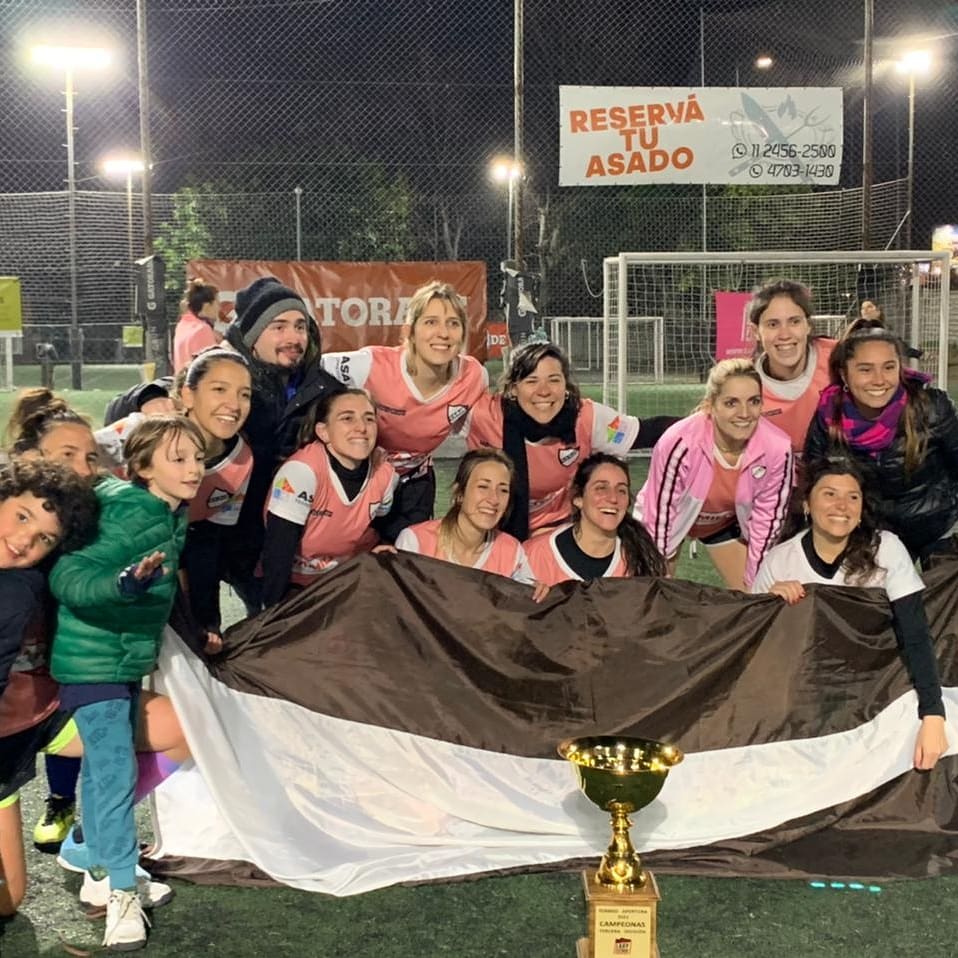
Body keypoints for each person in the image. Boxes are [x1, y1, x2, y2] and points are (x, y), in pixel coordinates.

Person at [49, 415, 206, 949]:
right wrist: (123, 585)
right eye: (178, 458)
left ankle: (97, 870)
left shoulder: (168, 514)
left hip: (116, 663)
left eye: (198, 458)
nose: (194, 468)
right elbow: (68, 577)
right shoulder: (132, 510)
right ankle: (120, 894)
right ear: (142, 468)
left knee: (103, 771)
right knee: (113, 774)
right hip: (90, 665)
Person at [752, 457, 947, 771]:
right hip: (805, 697)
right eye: (829, 494)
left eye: (852, 497)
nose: (841, 505)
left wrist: (933, 715)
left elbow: (916, 635)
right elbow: (752, 648)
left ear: (861, 510)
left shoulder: (886, 548)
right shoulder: (780, 560)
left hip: (877, 689)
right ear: (807, 504)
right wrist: (770, 607)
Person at [96, 347, 254, 651]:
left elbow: (208, 542)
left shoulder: (242, 461)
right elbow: (79, 454)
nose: (233, 404)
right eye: (219, 389)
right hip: (107, 562)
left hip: (166, 557)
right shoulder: (143, 429)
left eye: (245, 394)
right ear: (188, 395)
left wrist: (205, 620)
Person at [320, 280, 489, 542]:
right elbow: (309, 373)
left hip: (415, 483)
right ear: (409, 331)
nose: (443, 333)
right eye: (431, 322)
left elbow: (475, 433)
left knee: (407, 564)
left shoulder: (474, 376)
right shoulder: (370, 365)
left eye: (453, 323)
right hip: (359, 478)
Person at [2, 389, 98, 850]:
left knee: (163, 727)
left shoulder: (81, 530)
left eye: (90, 458)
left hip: (42, 710)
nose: (82, 468)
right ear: (26, 461)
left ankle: (81, 820)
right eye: (67, 455)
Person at [463, 341, 676, 541]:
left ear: (566, 386)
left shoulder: (585, 418)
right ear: (512, 388)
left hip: (556, 530)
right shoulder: (482, 416)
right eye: (531, 381)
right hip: (489, 529)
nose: (544, 391)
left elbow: (646, 432)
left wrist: (703, 423)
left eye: (554, 380)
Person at [223, 276, 344, 613]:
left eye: (300, 326)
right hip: (235, 537)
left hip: (305, 542)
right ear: (252, 337)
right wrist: (150, 397)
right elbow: (179, 389)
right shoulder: (227, 379)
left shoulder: (325, 389)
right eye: (279, 327)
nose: (294, 338)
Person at [805, 320, 958, 567]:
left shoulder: (931, 407)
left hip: (936, 525)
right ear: (844, 373)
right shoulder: (829, 415)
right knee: (872, 603)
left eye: (888, 367)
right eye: (865, 370)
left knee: (946, 600)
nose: (879, 380)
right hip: (872, 532)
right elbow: (814, 476)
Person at [633, 358, 793, 591]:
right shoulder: (680, 442)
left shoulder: (778, 448)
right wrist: (656, 579)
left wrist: (757, 582)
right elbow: (659, 518)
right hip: (667, 520)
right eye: (731, 403)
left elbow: (767, 523)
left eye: (754, 401)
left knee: (757, 596)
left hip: (722, 523)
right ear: (710, 405)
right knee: (652, 595)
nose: (745, 413)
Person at [260, 389, 398, 609]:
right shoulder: (301, 471)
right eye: (347, 418)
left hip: (345, 577)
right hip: (297, 583)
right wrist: (273, 612)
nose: (361, 428)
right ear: (323, 432)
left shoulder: (386, 473)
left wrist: (377, 553)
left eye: (369, 418)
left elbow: (377, 524)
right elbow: (278, 551)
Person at [395, 448, 544, 596]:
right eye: (483, 487)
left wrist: (540, 594)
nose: (493, 499)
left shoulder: (512, 552)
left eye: (503, 490)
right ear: (459, 493)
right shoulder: (415, 542)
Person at [525, 452, 665, 585]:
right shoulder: (534, 555)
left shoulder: (642, 559)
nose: (613, 498)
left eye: (621, 490)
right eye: (601, 488)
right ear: (578, 498)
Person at [747, 279, 836, 455]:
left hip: (842, 470)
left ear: (808, 325)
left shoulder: (839, 357)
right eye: (773, 324)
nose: (785, 335)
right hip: (774, 474)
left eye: (794, 321)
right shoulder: (744, 382)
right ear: (755, 332)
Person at [172, 277, 222, 372]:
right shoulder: (203, 330)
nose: (219, 308)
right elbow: (213, 369)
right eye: (217, 304)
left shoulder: (182, 326)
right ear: (207, 306)